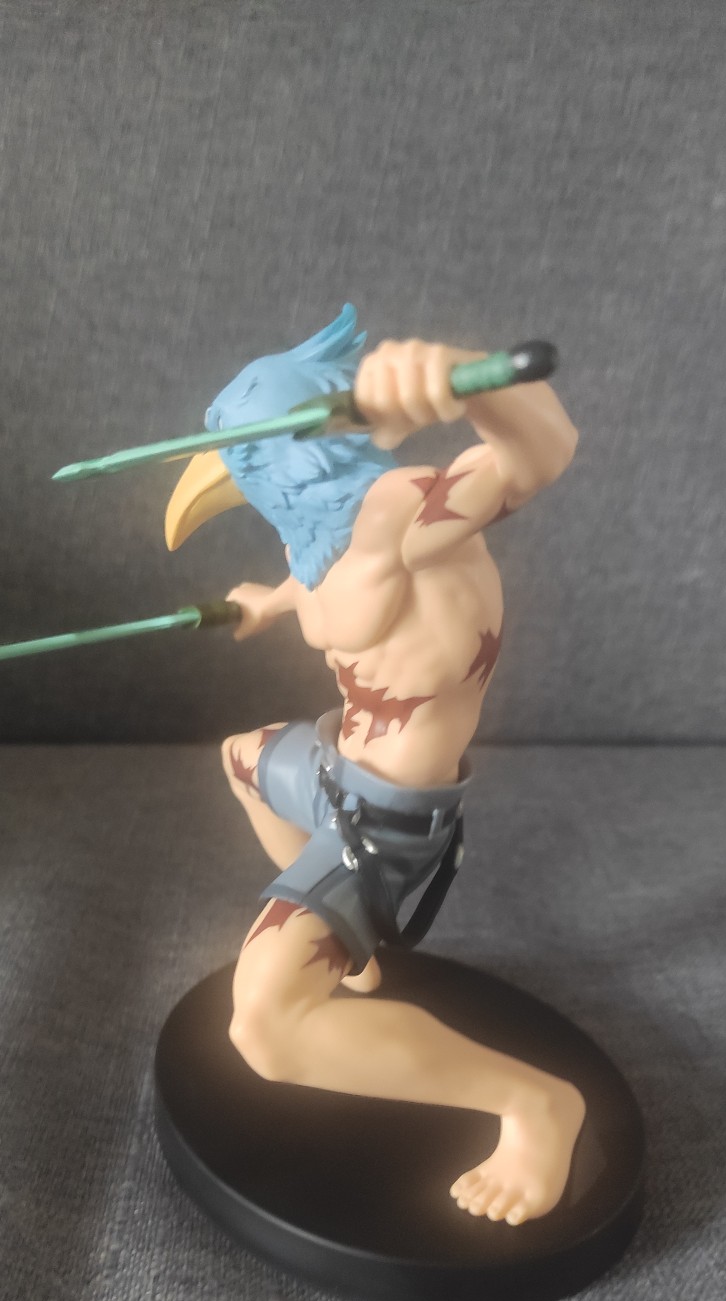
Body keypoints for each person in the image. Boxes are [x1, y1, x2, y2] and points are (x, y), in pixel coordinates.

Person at [164, 308, 584, 1225]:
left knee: (263, 1028)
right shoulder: (318, 535)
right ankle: (345, 954)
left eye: (242, 452)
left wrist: (466, 375)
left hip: (387, 818)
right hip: (333, 765)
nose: (231, 471)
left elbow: (541, 452)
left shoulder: (410, 515)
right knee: (240, 760)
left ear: (297, 451)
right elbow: (325, 589)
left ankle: (535, 1106)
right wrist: (268, 606)